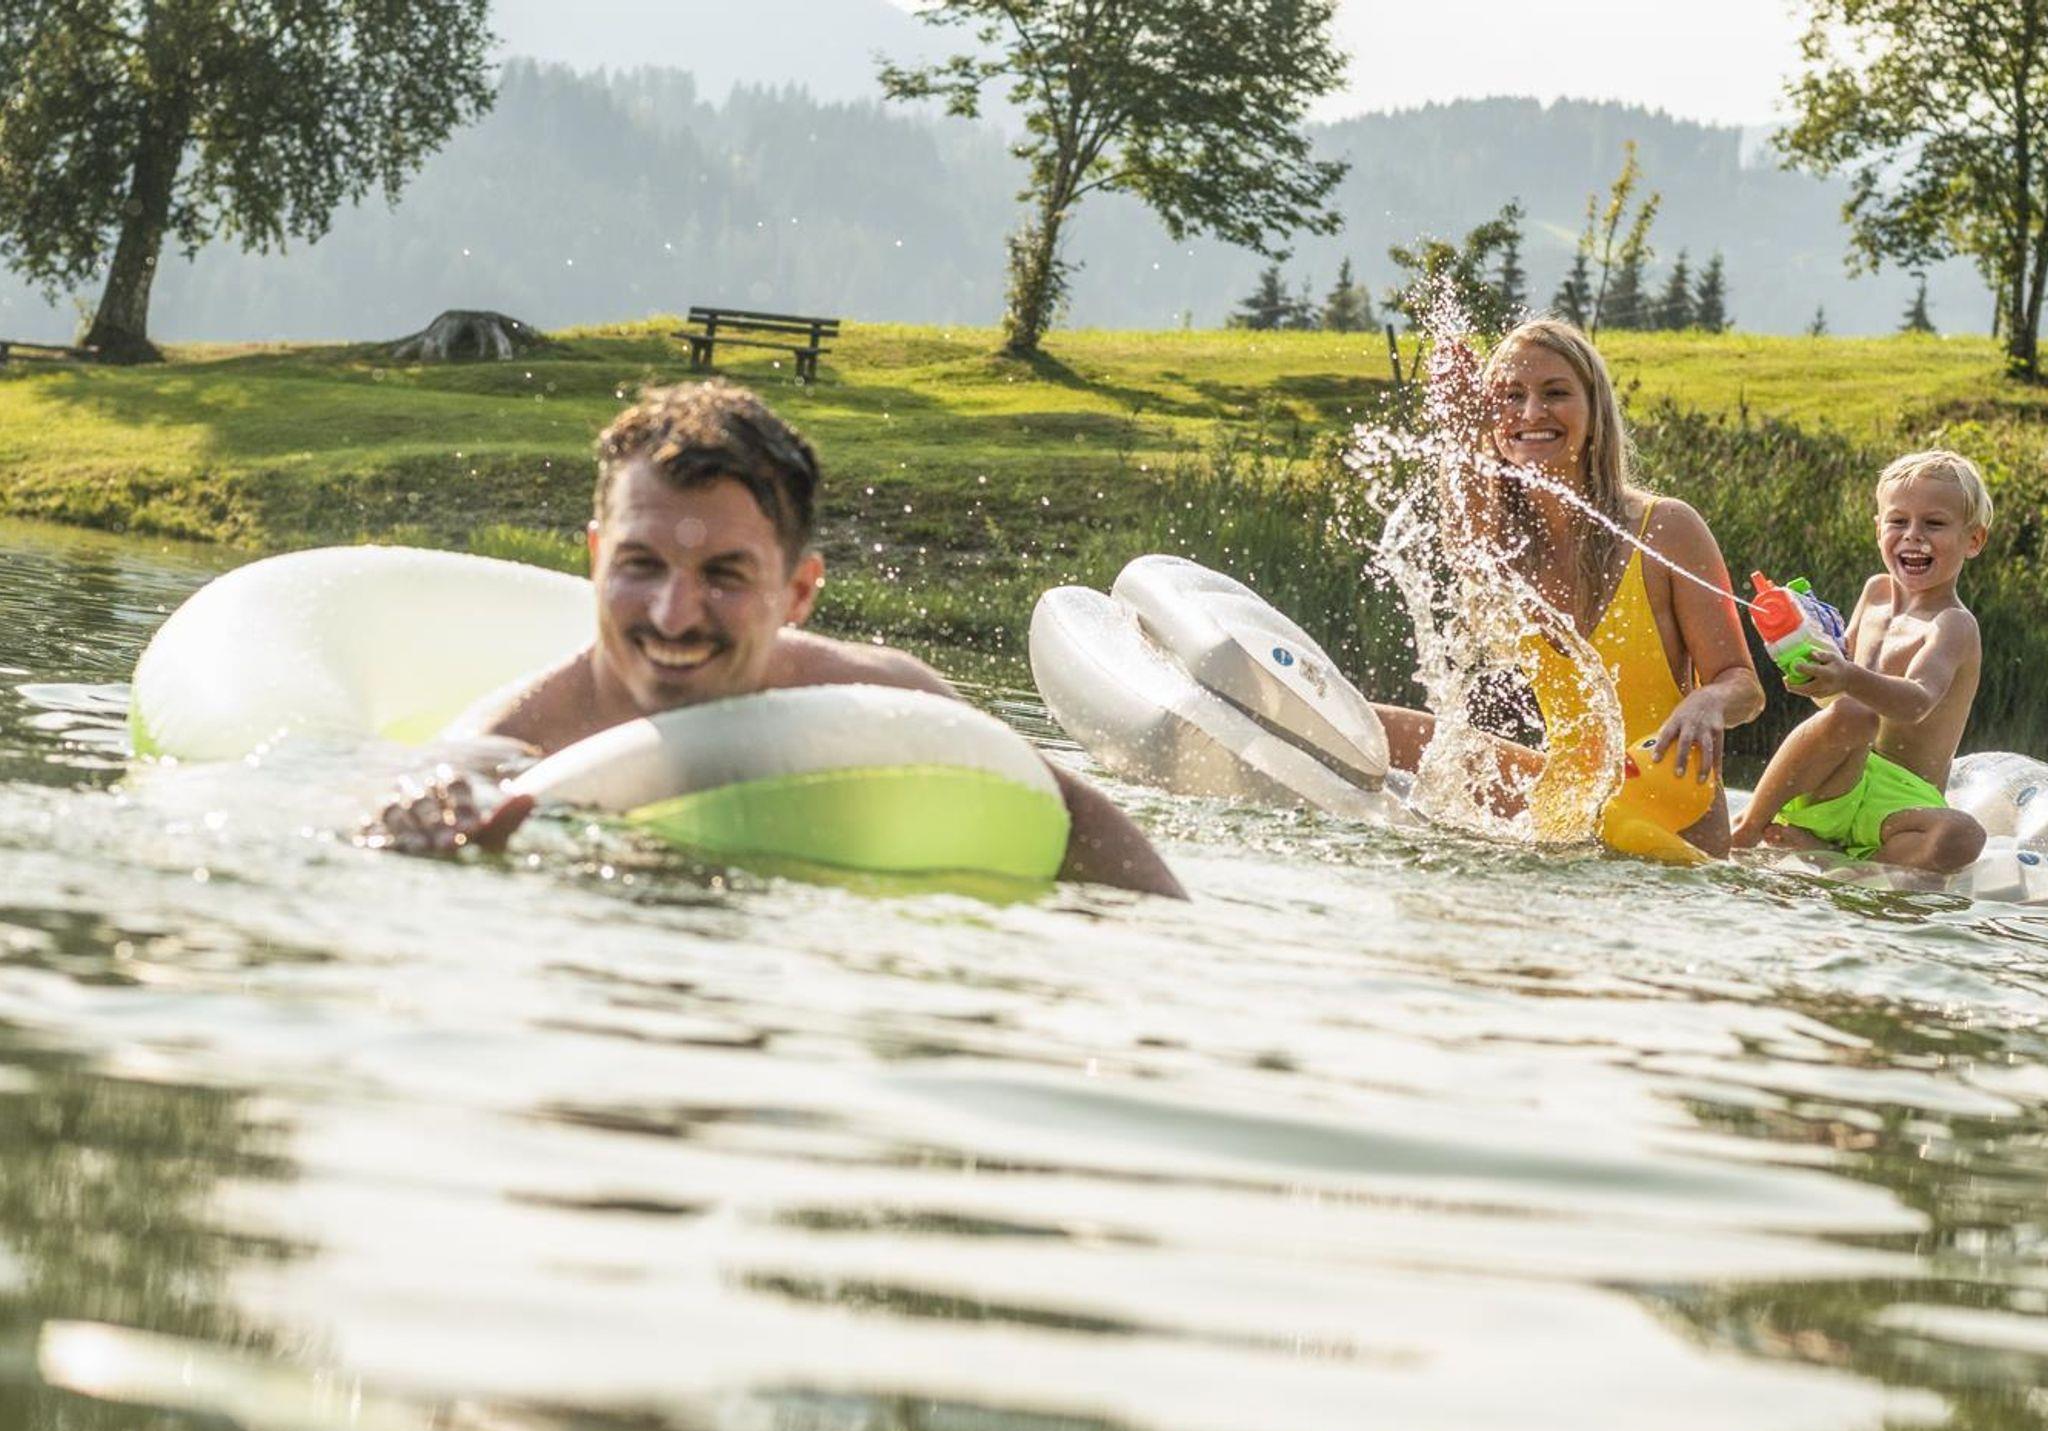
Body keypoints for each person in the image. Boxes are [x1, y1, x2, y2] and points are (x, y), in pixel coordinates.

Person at [367, 381, 1185, 898]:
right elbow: (389, 837)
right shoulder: (516, 742)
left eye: (724, 575)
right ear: (595, 558)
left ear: (798, 592)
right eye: (640, 565)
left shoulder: (880, 699)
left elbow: (1070, 817)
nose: (674, 615)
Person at [1372, 318, 1765, 858]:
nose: (1532, 412)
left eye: (1555, 393)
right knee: (1367, 725)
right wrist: (1460, 427)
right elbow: (1462, 529)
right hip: (1569, 809)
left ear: (1595, 413)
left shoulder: (1666, 529)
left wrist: (1708, 701)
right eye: (1511, 396)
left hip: (1667, 815)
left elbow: (1744, 685)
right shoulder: (1501, 545)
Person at [1730, 450, 1989, 872]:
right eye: (1898, 521)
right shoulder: (1875, 593)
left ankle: (1848, 860)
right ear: (1878, 528)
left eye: (1934, 523)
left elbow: (1917, 702)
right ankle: (1748, 825)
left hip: (1900, 803)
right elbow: (1833, 701)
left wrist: (1846, 676)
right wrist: (1810, 666)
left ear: (1973, 540)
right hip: (1840, 780)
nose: (1913, 536)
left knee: (1963, 835)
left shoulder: (1953, 625)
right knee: (1853, 713)